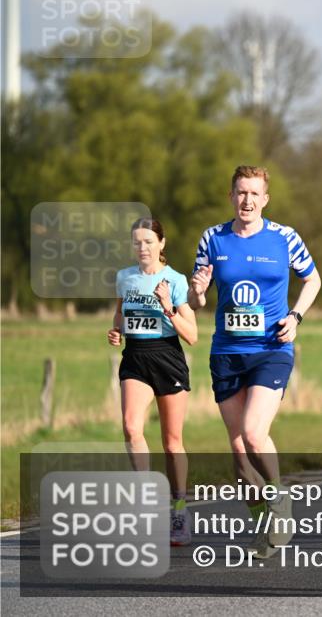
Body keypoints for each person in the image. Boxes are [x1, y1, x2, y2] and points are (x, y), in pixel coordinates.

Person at [188, 165, 321, 558]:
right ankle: (263, 522)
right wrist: (196, 291)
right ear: (231, 196)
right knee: (240, 457)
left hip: (271, 349)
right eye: (241, 193)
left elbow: (312, 279)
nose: (247, 200)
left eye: (254, 194)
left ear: (265, 198)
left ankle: (280, 500)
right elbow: (197, 298)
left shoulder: (285, 238)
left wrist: (295, 317)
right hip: (227, 353)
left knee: (253, 432)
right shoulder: (212, 238)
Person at [108, 218, 198, 546]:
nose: (142, 248)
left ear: (162, 243)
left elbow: (193, 336)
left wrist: (167, 308)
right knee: (132, 429)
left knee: (172, 443)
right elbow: (121, 313)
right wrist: (116, 330)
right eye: (136, 242)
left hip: (167, 358)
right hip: (135, 359)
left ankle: (178, 509)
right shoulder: (125, 278)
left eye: (148, 241)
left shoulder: (174, 280)